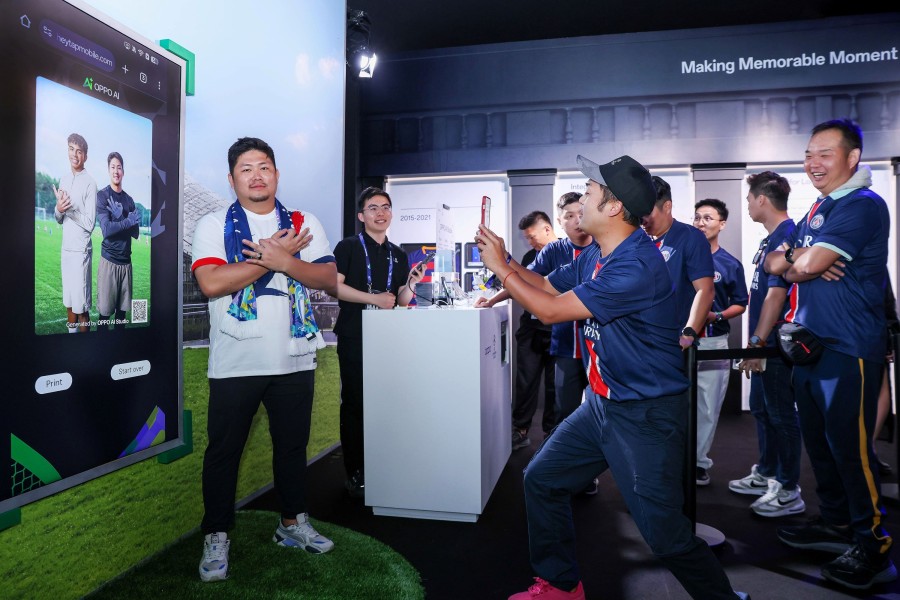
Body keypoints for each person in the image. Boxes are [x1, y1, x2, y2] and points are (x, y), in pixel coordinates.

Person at [476, 154, 748, 600]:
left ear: (614, 207)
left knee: (665, 536)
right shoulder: (597, 253)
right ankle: (561, 585)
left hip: (644, 414)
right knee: (542, 479)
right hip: (603, 405)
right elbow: (545, 286)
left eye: (589, 193)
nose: (580, 201)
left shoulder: (636, 265)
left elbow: (549, 311)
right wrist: (504, 258)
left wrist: (500, 267)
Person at [191, 137, 338, 582]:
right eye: (246, 169)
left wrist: (285, 261)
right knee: (224, 452)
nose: (257, 176)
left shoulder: (303, 221)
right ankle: (217, 534)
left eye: (264, 167)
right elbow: (212, 282)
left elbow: (327, 277)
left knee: (292, 448)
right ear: (232, 178)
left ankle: (292, 523)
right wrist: (275, 257)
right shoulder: (214, 223)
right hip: (236, 359)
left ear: (276, 174)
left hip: (294, 356)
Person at [765, 119, 894, 590]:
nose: (812, 163)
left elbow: (807, 263)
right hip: (811, 348)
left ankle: (874, 547)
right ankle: (837, 523)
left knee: (851, 450)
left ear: (852, 157)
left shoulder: (862, 205)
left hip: (849, 347)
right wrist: (801, 257)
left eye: (824, 153)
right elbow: (776, 264)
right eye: (808, 154)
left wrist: (804, 259)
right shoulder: (821, 207)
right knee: (819, 444)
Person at [333, 187, 426, 499]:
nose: (380, 213)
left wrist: (411, 283)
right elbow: (335, 287)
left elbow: (400, 300)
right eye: (373, 208)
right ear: (362, 216)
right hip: (354, 334)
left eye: (385, 207)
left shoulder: (398, 254)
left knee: (385, 401)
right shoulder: (347, 247)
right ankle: (355, 471)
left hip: (387, 337)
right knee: (355, 402)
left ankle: (383, 462)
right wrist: (372, 299)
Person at [731, 171, 805, 518]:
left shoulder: (788, 234)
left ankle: (788, 488)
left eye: (749, 199)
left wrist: (757, 344)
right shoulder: (771, 237)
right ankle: (767, 472)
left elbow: (776, 296)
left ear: (762, 199)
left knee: (780, 414)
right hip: (764, 340)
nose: (747, 205)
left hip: (774, 343)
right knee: (761, 409)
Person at [642, 175, 715, 484]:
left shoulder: (690, 238)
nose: (643, 219)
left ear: (667, 206)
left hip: (673, 348)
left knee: (672, 418)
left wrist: (689, 332)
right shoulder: (638, 239)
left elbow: (705, 290)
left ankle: (676, 483)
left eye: (648, 211)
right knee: (643, 419)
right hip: (639, 347)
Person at [477, 211, 558, 449]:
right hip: (531, 330)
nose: (530, 242)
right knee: (525, 382)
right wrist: (492, 300)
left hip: (558, 331)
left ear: (547, 229)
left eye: (532, 237)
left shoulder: (566, 253)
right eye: (527, 238)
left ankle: (551, 435)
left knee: (555, 386)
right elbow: (515, 284)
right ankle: (520, 430)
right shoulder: (530, 256)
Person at [691, 199, 748, 485]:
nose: (701, 223)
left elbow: (741, 303)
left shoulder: (730, 264)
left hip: (714, 343)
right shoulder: (682, 258)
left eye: (708, 218)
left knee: (707, 407)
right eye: (697, 217)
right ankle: (673, 460)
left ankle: (698, 463)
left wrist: (717, 315)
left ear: (722, 224)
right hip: (681, 344)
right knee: (675, 405)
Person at [529, 193, 593, 426]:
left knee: (603, 411)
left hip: (599, 347)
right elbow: (529, 281)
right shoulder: (553, 251)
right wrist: (493, 299)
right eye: (569, 216)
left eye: (581, 214)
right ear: (559, 221)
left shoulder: (603, 247)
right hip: (566, 346)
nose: (577, 220)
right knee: (565, 412)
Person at [53, 133, 97, 333]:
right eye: (71, 149)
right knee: (69, 304)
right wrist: (59, 209)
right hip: (66, 250)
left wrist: (68, 210)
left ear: (85, 156)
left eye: (79, 151)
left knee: (82, 309)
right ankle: (71, 344)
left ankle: (85, 347)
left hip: (81, 253)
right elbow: (58, 218)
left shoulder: (90, 183)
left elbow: (90, 223)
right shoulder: (63, 179)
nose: (74, 154)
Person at [95, 152, 140, 331]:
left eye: (119, 167)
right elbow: (106, 230)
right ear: (108, 170)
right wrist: (127, 221)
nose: (116, 171)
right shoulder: (103, 196)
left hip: (126, 264)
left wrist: (121, 217)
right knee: (104, 316)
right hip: (109, 262)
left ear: (123, 171)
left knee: (121, 318)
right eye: (113, 167)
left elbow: (136, 233)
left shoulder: (129, 200)